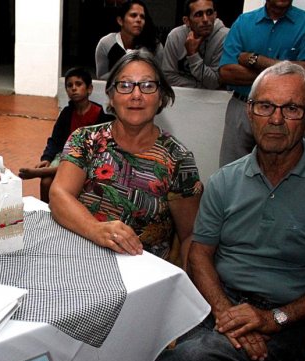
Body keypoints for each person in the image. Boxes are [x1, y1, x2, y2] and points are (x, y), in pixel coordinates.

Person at [122, 61, 305, 361]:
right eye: (265, 106)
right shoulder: (225, 181)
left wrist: (273, 319)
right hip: (218, 304)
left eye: (291, 108)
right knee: (150, 350)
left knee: (189, 360)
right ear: (249, 112)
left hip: (288, 321)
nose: (276, 119)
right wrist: (224, 311)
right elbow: (200, 254)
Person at [49, 50, 202, 266]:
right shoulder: (86, 140)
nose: (136, 95)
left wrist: (182, 281)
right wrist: (96, 230)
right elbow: (59, 195)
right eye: (125, 85)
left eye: (147, 85)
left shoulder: (178, 159)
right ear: (111, 96)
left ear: (161, 97)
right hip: (80, 259)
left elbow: (189, 235)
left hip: (143, 272)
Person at [217, 0, 305, 166]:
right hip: (242, 107)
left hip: (289, 112)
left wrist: (255, 60)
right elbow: (226, 72)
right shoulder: (244, 22)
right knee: (232, 170)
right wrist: (290, 71)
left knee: (285, 170)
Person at [18, 67, 113, 203]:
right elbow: (55, 140)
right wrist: (47, 158)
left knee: (72, 169)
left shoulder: (100, 116)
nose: (74, 88)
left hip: (89, 159)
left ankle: (38, 173)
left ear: (89, 89)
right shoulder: (66, 113)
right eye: (69, 85)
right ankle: (46, 212)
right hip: (65, 155)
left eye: (78, 84)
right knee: (46, 182)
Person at [162, 0, 228, 89]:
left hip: (214, 96)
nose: (205, 19)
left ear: (215, 15)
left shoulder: (225, 37)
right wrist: (199, 87)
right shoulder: (175, 36)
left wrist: (193, 55)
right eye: (198, 15)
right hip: (181, 94)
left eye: (209, 13)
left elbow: (215, 82)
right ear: (187, 21)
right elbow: (168, 77)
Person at [95, 0, 164, 80]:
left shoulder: (155, 46)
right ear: (120, 21)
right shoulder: (106, 43)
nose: (139, 20)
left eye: (142, 17)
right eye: (133, 15)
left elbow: (159, 78)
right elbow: (101, 79)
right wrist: (127, 69)